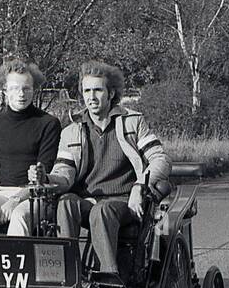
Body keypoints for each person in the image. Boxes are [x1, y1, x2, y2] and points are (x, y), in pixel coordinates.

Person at [46, 61, 172, 275]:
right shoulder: (71, 131)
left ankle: (110, 278)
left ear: (111, 92)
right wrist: (47, 178)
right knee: (66, 203)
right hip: (87, 202)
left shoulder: (132, 122)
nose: (91, 97)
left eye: (98, 90)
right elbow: (64, 172)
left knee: (102, 210)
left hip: (123, 203)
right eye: (87, 91)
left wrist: (139, 186)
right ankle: (69, 275)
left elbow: (160, 159)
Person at [0, 57, 61, 235]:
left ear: (34, 90)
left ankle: (20, 263)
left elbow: (44, 173)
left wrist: (17, 199)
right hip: (1, 189)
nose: (21, 94)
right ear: (4, 91)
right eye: (15, 88)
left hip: (36, 194)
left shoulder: (48, 123)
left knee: (19, 215)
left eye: (26, 88)